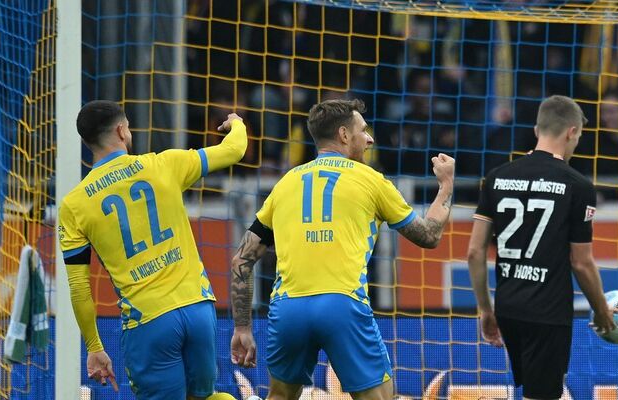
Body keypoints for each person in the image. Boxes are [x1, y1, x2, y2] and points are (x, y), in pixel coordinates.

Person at [225, 98, 455, 400]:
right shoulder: (372, 180)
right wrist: (446, 185)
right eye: (363, 130)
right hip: (342, 305)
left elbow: (241, 260)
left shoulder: (285, 183)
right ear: (345, 135)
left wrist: (242, 327)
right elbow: (429, 236)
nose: (370, 138)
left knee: (280, 396)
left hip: (289, 308)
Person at [58, 100, 246, 399]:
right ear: (121, 130)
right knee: (205, 396)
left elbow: (80, 288)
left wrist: (94, 347)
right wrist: (236, 124)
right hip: (198, 306)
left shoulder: (74, 205)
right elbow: (234, 150)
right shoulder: (162, 164)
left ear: (86, 140)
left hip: (149, 321)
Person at [466, 95, 616, 400]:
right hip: (547, 312)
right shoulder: (578, 185)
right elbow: (581, 262)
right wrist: (601, 310)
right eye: (579, 137)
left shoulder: (496, 178)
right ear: (572, 132)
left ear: (537, 130)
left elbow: (475, 252)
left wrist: (485, 308)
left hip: (508, 307)